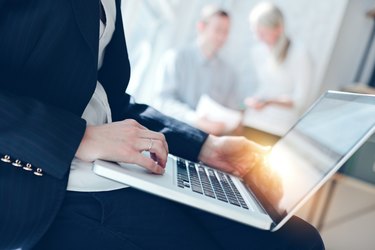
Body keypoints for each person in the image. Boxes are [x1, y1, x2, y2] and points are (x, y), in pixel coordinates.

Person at [0, 1, 324, 249]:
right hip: (44, 183)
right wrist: (81, 137)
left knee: (299, 239)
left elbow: (111, 100)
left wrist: (205, 145)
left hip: (120, 168)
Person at [154, 5, 242, 135]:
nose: (222, 37)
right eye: (218, 30)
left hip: (209, 144)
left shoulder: (229, 73)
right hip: (172, 136)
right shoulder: (176, 58)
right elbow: (163, 101)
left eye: (226, 32)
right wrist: (195, 119)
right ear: (201, 27)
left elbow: (231, 111)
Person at [242, 2, 314, 146]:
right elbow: (265, 88)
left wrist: (268, 101)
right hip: (252, 123)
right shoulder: (258, 51)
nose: (258, 38)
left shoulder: (300, 54)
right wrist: (256, 100)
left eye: (262, 33)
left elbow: (299, 100)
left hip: (278, 129)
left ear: (279, 29)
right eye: (256, 32)